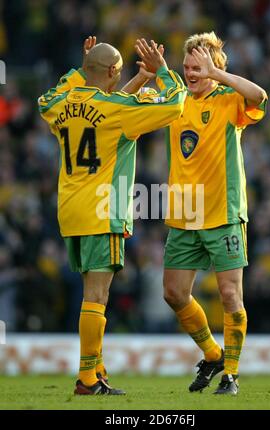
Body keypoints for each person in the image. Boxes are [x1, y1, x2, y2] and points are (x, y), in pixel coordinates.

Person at [38, 36, 186, 395]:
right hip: (103, 211)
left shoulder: (61, 102)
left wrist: (91, 66)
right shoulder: (117, 108)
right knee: (96, 296)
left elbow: (50, 99)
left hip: (71, 211)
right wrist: (163, 73)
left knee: (92, 293)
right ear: (114, 72)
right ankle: (87, 378)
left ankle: (96, 370)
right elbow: (175, 106)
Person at [136, 32, 267, 395]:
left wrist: (219, 74)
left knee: (230, 295)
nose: (191, 73)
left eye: (199, 67)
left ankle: (231, 375)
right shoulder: (175, 98)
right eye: (188, 66)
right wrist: (153, 73)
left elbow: (259, 96)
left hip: (223, 212)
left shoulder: (229, 100)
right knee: (174, 294)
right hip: (184, 215)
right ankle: (213, 355)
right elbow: (130, 99)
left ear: (215, 68)